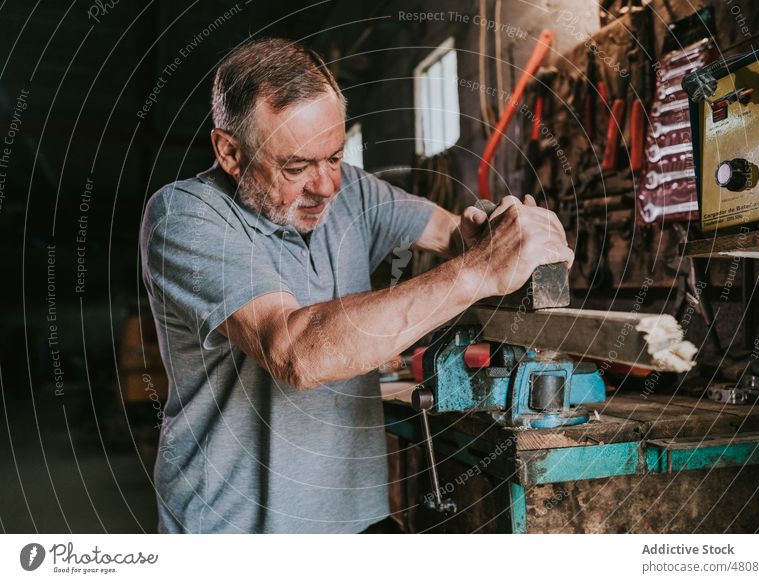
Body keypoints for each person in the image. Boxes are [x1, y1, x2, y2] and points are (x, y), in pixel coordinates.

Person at [139, 37, 572, 533]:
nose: (327, 186)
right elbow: (294, 351)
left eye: (335, 156)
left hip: (356, 520)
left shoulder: (353, 194)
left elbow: (450, 230)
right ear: (231, 153)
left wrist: (494, 234)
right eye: (296, 167)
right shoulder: (186, 216)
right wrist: (480, 269)